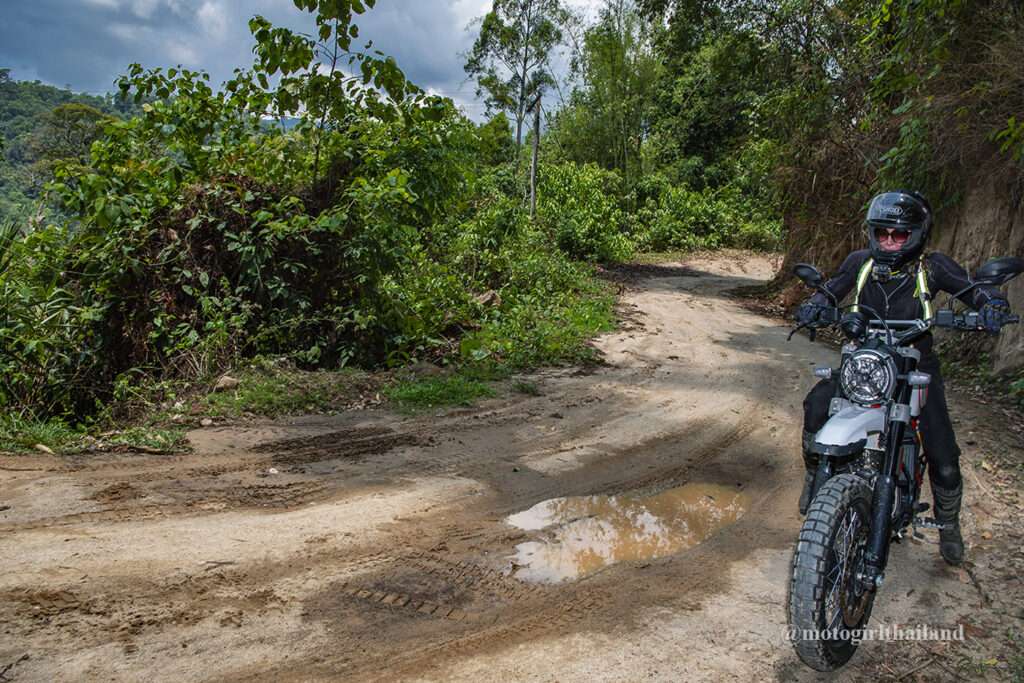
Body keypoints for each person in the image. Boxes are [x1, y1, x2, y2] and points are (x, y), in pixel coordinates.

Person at [795, 190, 1014, 566]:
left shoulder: (934, 267)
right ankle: (816, 473)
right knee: (816, 405)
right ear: (873, 233)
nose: (891, 241)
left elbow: (971, 289)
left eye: (899, 235)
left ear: (916, 235)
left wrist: (990, 304)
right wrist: (815, 305)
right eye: (883, 234)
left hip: (917, 366)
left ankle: (948, 524)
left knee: (943, 453)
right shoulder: (859, 262)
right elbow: (832, 290)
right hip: (867, 364)